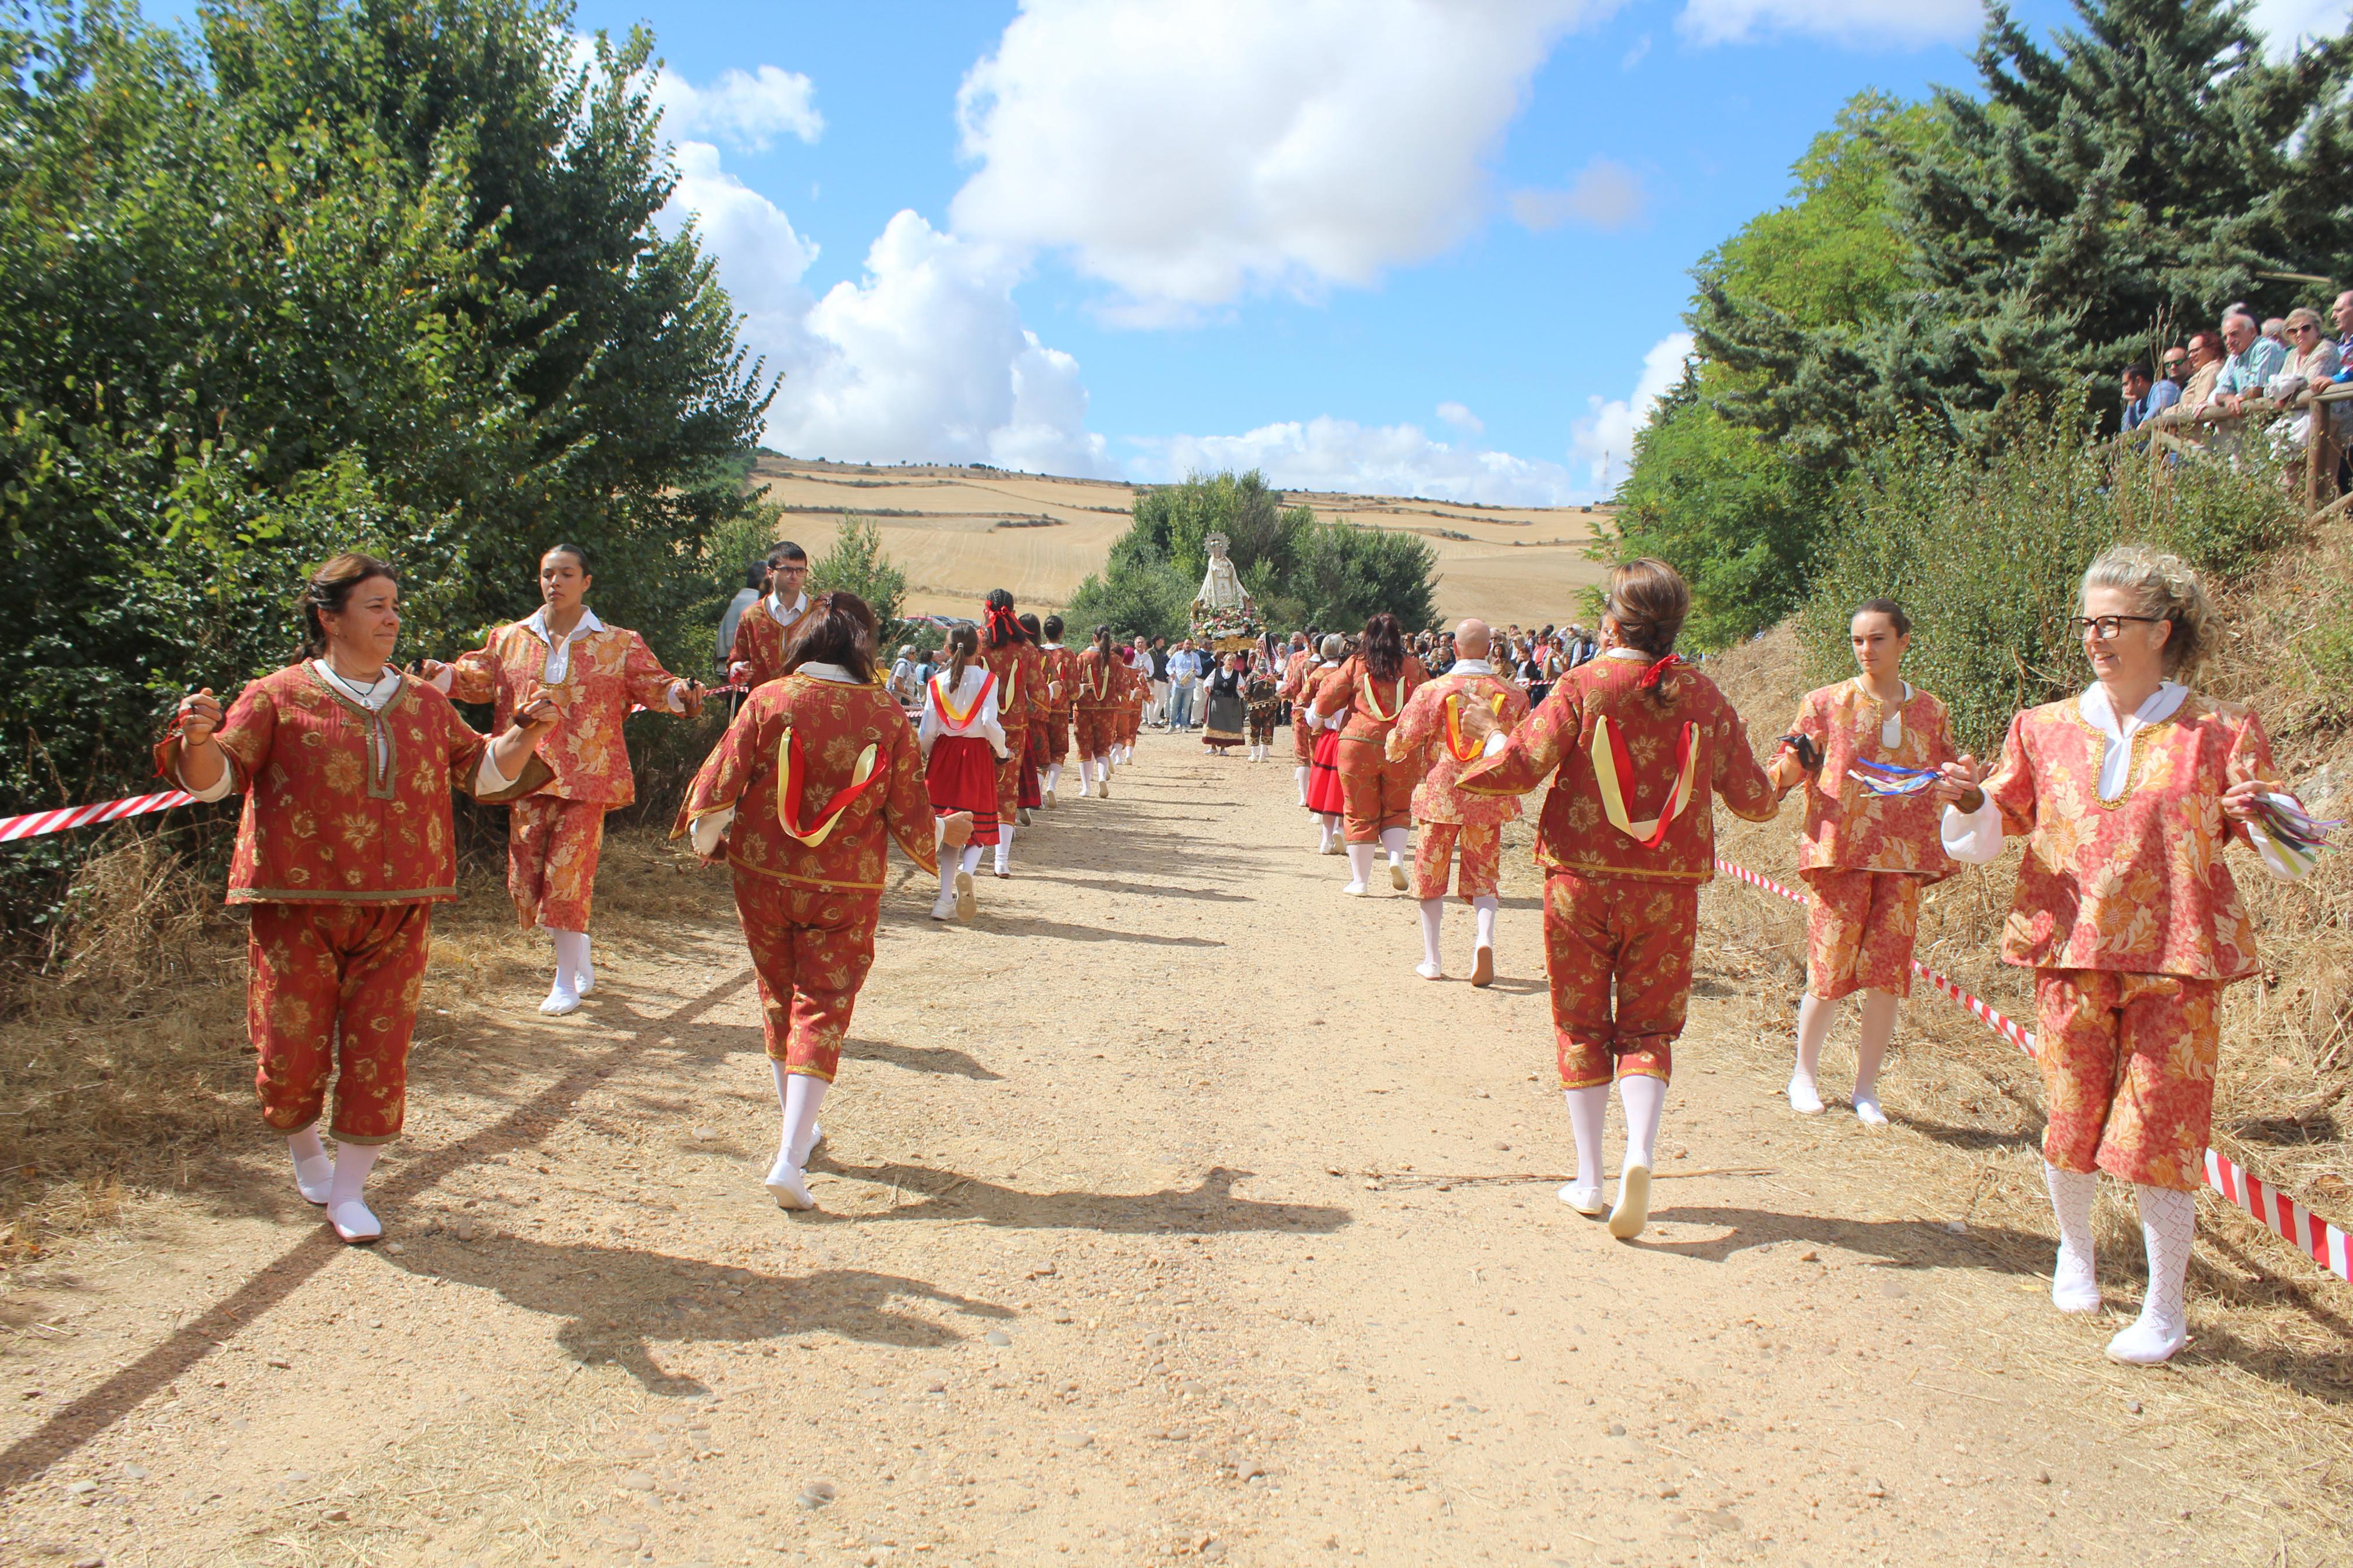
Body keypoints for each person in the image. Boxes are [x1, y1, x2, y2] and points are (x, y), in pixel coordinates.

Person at [1934, 546, 2315, 1366]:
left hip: (2177, 956)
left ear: (2160, 629)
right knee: (2069, 1115)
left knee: (2161, 1133)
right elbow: (1993, 827)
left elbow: (2290, 853)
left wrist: (2268, 812)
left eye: (2112, 622)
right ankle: (2074, 1252)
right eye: (2087, 623)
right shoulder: (2038, 727)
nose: (2094, 638)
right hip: (2068, 945)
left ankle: (2163, 1306)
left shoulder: (2219, 730)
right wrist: (1968, 797)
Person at [164, 554, 559, 1242]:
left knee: (382, 1046)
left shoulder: (426, 702)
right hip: (296, 903)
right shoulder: (275, 695)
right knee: (290, 1051)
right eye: (375, 605)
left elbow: (484, 776)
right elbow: (215, 780)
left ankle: (351, 1192)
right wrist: (197, 739)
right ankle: (306, 1152)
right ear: (329, 617)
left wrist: (524, 733)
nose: (392, 617)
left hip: (400, 905)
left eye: (394, 604)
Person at [1457, 560, 1777, 1238]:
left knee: (1580, 1023)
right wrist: (1793, 769)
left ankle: (1589, 1177)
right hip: (1668, 893)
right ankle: (1640, 1149)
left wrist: (1488, 730)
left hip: (1579, 881)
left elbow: (1516, 767)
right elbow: (1753, 799)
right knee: (1647, 1028)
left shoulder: (1581, 685)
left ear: (1611, 622)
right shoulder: (1704, 696)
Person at [675, 592, 939, 1211]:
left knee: (776, 994)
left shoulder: (770, 699)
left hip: (762, 875)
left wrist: (705, 839)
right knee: (822, 1004)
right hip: (845, 884)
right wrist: (942, 844)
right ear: (861, 647)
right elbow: (908, 811)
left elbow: (718, 785)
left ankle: (797, 1130)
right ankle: (790, 1156)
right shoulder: (885, 714)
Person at [423, 543, 701, 1018]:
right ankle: (576, 948)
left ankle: (565, 980)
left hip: (588, 777)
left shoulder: (618, 642)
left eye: (566, 574)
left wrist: (679, 693)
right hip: (525, 775)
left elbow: (655, 685)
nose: (555, 582)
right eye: (548, 573)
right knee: (525, 883)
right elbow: (472, 679)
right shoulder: (508, 638)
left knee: (568, 877)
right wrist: (438, 674)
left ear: (586, 581)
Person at [1765, 599, 1958, 1125]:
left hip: (1902, 859)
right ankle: (1803, 1074)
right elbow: (1783, 771)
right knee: (1827, 971)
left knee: (1885, 977)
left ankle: (1864, 1088)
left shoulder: (1931, 710)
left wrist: (1967, 783)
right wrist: (1789, 768)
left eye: (1876, 639)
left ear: (1903, 642)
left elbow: (1944, 773)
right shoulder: (1825, 703)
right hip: (1840, 853)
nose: (1865, 649)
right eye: (1857, 640)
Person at [1385, 618, 1529, 986]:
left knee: (1430, 875)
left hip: (1441, 795)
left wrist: (1396, 750)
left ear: (1456, 647)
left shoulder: (1433, 690)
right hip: (1486, 795)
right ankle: (1483, 939)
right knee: (1484, 876)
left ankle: (1432, 960)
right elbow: (1523, 745)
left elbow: (1405, 736)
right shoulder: (1512, 694)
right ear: (1491, 647)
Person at [1311, 613, 1430, 895]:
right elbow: (1430, 699)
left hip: (1358, 744)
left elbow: (1328, 696)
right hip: (1401, 746)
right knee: (1398, 808)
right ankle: (1396, 858)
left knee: (1358, 812)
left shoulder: (1357, 664)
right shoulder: (1413, 666)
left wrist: (1316, 717)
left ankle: (1361, 881)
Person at [915, 624, 1005, 921]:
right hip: (976, 755)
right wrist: (1003, 752)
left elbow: (926, 730)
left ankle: (943, 901)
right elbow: (991, 723)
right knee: (977, 827)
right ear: (979, 649)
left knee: (950, 828)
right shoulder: (988, 680)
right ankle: (966, 874)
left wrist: (929, 755)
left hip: (943, 756)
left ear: (949, 649)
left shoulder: (935, 682)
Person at [979, 590, 1046, 876]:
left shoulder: (976, 643)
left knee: (975, 787)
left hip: (976, 728)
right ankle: (1001, 860)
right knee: (1007, 793)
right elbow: (1040, 693)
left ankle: (966, 857)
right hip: (1013, 729)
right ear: (1013, 611)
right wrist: (1040, 710)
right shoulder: (1027, 649)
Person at [727, 541, 818, 690]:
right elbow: (737, 658)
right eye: (787, 570)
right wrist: (737, 669)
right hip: (763, 703)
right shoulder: (752, 615)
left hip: (806, 704)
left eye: (800, 570)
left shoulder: (817, 614)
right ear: (770, 572)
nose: (794, 576)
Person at [1300, 634, 1350, 852]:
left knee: (1328, 789)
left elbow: (1313, 717)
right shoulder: (1355, 679)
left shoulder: (1323, 677)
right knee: (1345, 788)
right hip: (1350, 737)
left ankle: (1326, 839)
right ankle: (1342, 829)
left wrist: (1307, 711)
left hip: (1329, 738)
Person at [1073, 625, 1123, 798]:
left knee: (1084, 746)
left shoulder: (1083, 657)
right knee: (1102, 746)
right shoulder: (1115, 659)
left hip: (1084, 708)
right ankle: (1102, 776)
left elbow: (1074, 685)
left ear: (1094, 636)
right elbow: (1123, 687)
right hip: (1108, 709)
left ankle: (1086, 787)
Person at [1035, 614, 1079, 806]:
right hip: (1060, 710)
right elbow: (1073, 688)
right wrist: (1075, 695)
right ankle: (1051, 786)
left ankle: (1036, 791)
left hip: (1038, 708)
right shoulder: (1068, 654)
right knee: (1058, 751)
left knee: (1039, 752)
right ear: (1061, 633)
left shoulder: (1035, 653)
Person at [2211, 310, 2285, 419]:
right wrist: (2229, 399)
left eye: (2234, 334)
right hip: (2252, 421)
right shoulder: (2234, 358)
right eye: (2225, 338)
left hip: (2272, 420)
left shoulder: (2266, 348)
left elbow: (2257, 390)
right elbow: (2220, 394)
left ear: (2252, 332)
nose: (2228, 341)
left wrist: (2237, 400)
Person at [1018, 613, 1056, 826]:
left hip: (1009, 715)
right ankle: (1035, 796)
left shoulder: (1009, 652)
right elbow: (1043, 688)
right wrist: (1052, 691)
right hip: (1035, 715)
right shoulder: (1041, 655)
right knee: (1040, 760)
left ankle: (1015, 806)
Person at [1279, 635, 1322, 807]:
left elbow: (1291, 689)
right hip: (1327, 716)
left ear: (1311, 646)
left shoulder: (1304, 665)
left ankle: (1304, 796)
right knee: (1321, 756)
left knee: (1303, 755)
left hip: (1302, 714)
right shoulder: (1337, 669)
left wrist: (1277, 690)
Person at [717, 559, 766, 680]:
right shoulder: (755, 605)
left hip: (728, 669)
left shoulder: (738, 601)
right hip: (743, 672)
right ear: (762, 584)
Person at [1201, 651, 1248, 753]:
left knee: (1226, 724)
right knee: (1214, 723)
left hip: (1230, 703)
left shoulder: (1236, 674)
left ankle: (1223, 748)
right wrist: (1207, 688)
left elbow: (1241, 686)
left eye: (1233, 660)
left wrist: (1240, 688)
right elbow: (1208, 682)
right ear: (1224, 661)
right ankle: (1213, 748)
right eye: (1229, 660)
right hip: (1216, 700)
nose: (1230, 662)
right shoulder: (1217, 671)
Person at [2176, 330, 2225, 417]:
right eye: (2189, 353)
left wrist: (2168, 413)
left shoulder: (2211, 370)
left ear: (2212, 349)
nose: (2191, 356)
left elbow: (2199, 405)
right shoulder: (2204, 371)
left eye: (2195, 351)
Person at [1244, 654, 1283, 762]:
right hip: (1271, 707)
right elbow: (1280, 691)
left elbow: (1246, 692)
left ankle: (1254, 755)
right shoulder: (1274, 677)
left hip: (1255, 707)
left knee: (1254, 729)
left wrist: (1250, 700)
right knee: (1268, 729)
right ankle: (1263, 756)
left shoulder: (1251, 676)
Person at [2119, 362, 2178, 433]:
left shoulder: (2164, 387)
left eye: (2126, 384)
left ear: (2138, 381)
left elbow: (2159, 408)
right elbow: (2127, 433)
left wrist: (2141, 427)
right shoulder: (2137, 404)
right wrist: (2131, 404)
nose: (2123, 390)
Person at [1166, 639, 1203, 730]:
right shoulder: (1177, 655)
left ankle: (1184, 725)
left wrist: (1196, 671)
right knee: (1174, 705)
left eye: (1190, 644)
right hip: (1177, 684)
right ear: (1183, 645)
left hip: (1189, 685)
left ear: (1192, 646)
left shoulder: (1196, 657)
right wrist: (1171, 673)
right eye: (1187, 644)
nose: (1188, 646)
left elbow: (1200, 670)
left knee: (1186, 707)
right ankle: (1172, 724)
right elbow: (1168, 666)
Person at [1149, 637, 1172, 728]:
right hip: (1154, 678)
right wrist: (1150, 678)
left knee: (1162, 700)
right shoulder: (1150, 652)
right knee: (1152, 700)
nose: (1163, 641)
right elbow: (1148, 665)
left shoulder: (1162, 652)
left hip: (1162, 678)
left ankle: (1155, 718)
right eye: (1162, 639)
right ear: (1157, 641)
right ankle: (1151, 721)